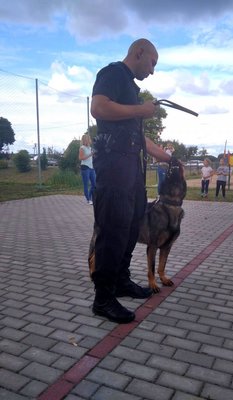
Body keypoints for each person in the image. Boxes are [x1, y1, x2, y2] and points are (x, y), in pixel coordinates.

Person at [90, 38, 174, 324]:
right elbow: (99, 108)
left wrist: (168, 158)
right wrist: (140, 110)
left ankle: (121, 280)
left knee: (132, 224)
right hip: (113, 167)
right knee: (113, 229)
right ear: (139, 53)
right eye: (152, 63)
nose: (152, 71)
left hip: (131, 170)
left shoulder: (131, 88)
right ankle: (103, 298)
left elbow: (140, 137)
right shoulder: (112, 73)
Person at [78, 134, 95, 205]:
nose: (89, 140)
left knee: (94, 184)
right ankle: (88, 199)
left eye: (89, 139)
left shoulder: (89, 148)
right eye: (88, 139)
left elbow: (91, 157)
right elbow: (80, 158)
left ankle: (91, 197)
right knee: (86, 184)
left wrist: (94, 155)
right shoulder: (82, 148)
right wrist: (90, 155)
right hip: (85, 167)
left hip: (91, 167)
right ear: (85, 140)